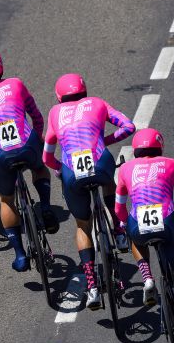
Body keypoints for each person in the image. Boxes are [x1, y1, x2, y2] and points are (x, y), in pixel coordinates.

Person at [43, 73, 135, 310]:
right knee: (108, 180)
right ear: (84, 90)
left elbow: (47, 156)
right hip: (100, 163)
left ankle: (92, 286)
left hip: (71, 173)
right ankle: (118, 228)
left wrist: (58, 170)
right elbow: (128, 127)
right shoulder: (97, 103)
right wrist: (103, 140)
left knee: (83, 225)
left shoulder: (55, 113)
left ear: (59, 96)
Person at [114, 128, 174, 343]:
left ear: (137, 149)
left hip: (138, 222)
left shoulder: (126, 169)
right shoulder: (171, 164)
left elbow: (119, 207)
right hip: (167, 220)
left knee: (135, 239)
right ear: (160, 146)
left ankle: (147, 278)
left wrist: (123, 223)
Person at [0, 49, 59, 271]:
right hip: (28, 145)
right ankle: (45, 206)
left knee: (6, 200)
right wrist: (37, 136)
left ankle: (20, 255)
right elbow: (36, 116)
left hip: (0, 153)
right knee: (40, 169)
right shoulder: (16, 84)